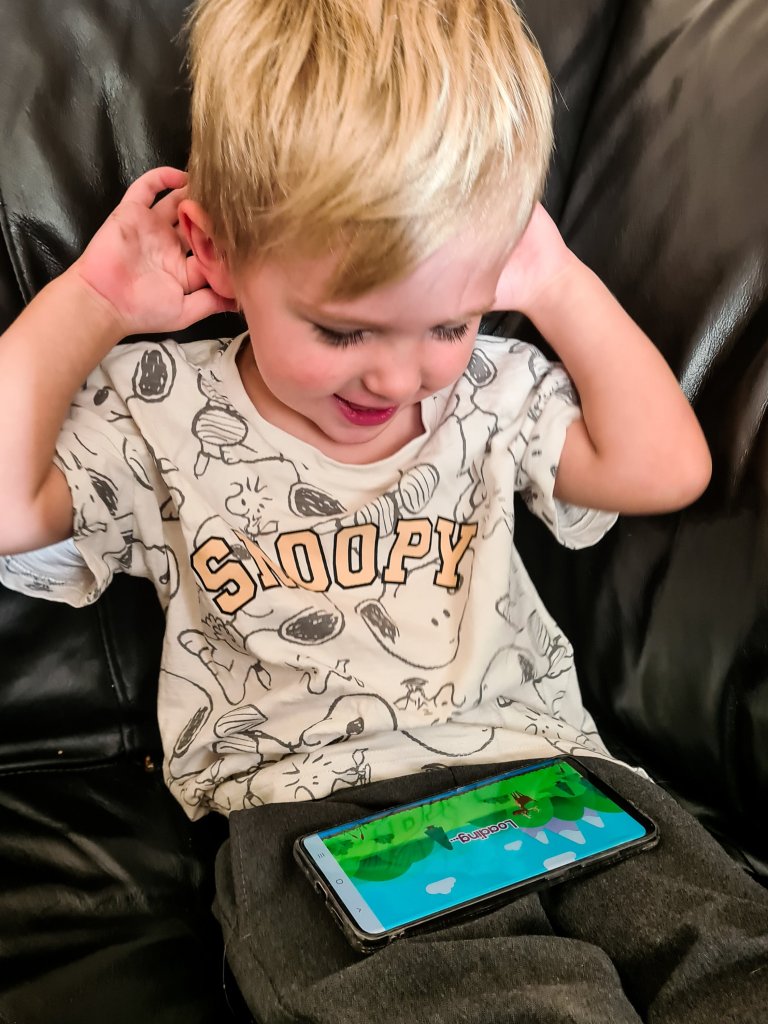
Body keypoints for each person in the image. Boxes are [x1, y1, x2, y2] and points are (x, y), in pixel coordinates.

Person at [0, 1, 766, 1021]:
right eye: (342, 330)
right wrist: (95, 298)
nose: (402, 378)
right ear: (216, 251)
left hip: (552, 771)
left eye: (449, 322)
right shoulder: (160, 407)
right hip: (315, 813)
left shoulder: (488, 389)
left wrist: (550, 278)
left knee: (734, 963)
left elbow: (666, 469)